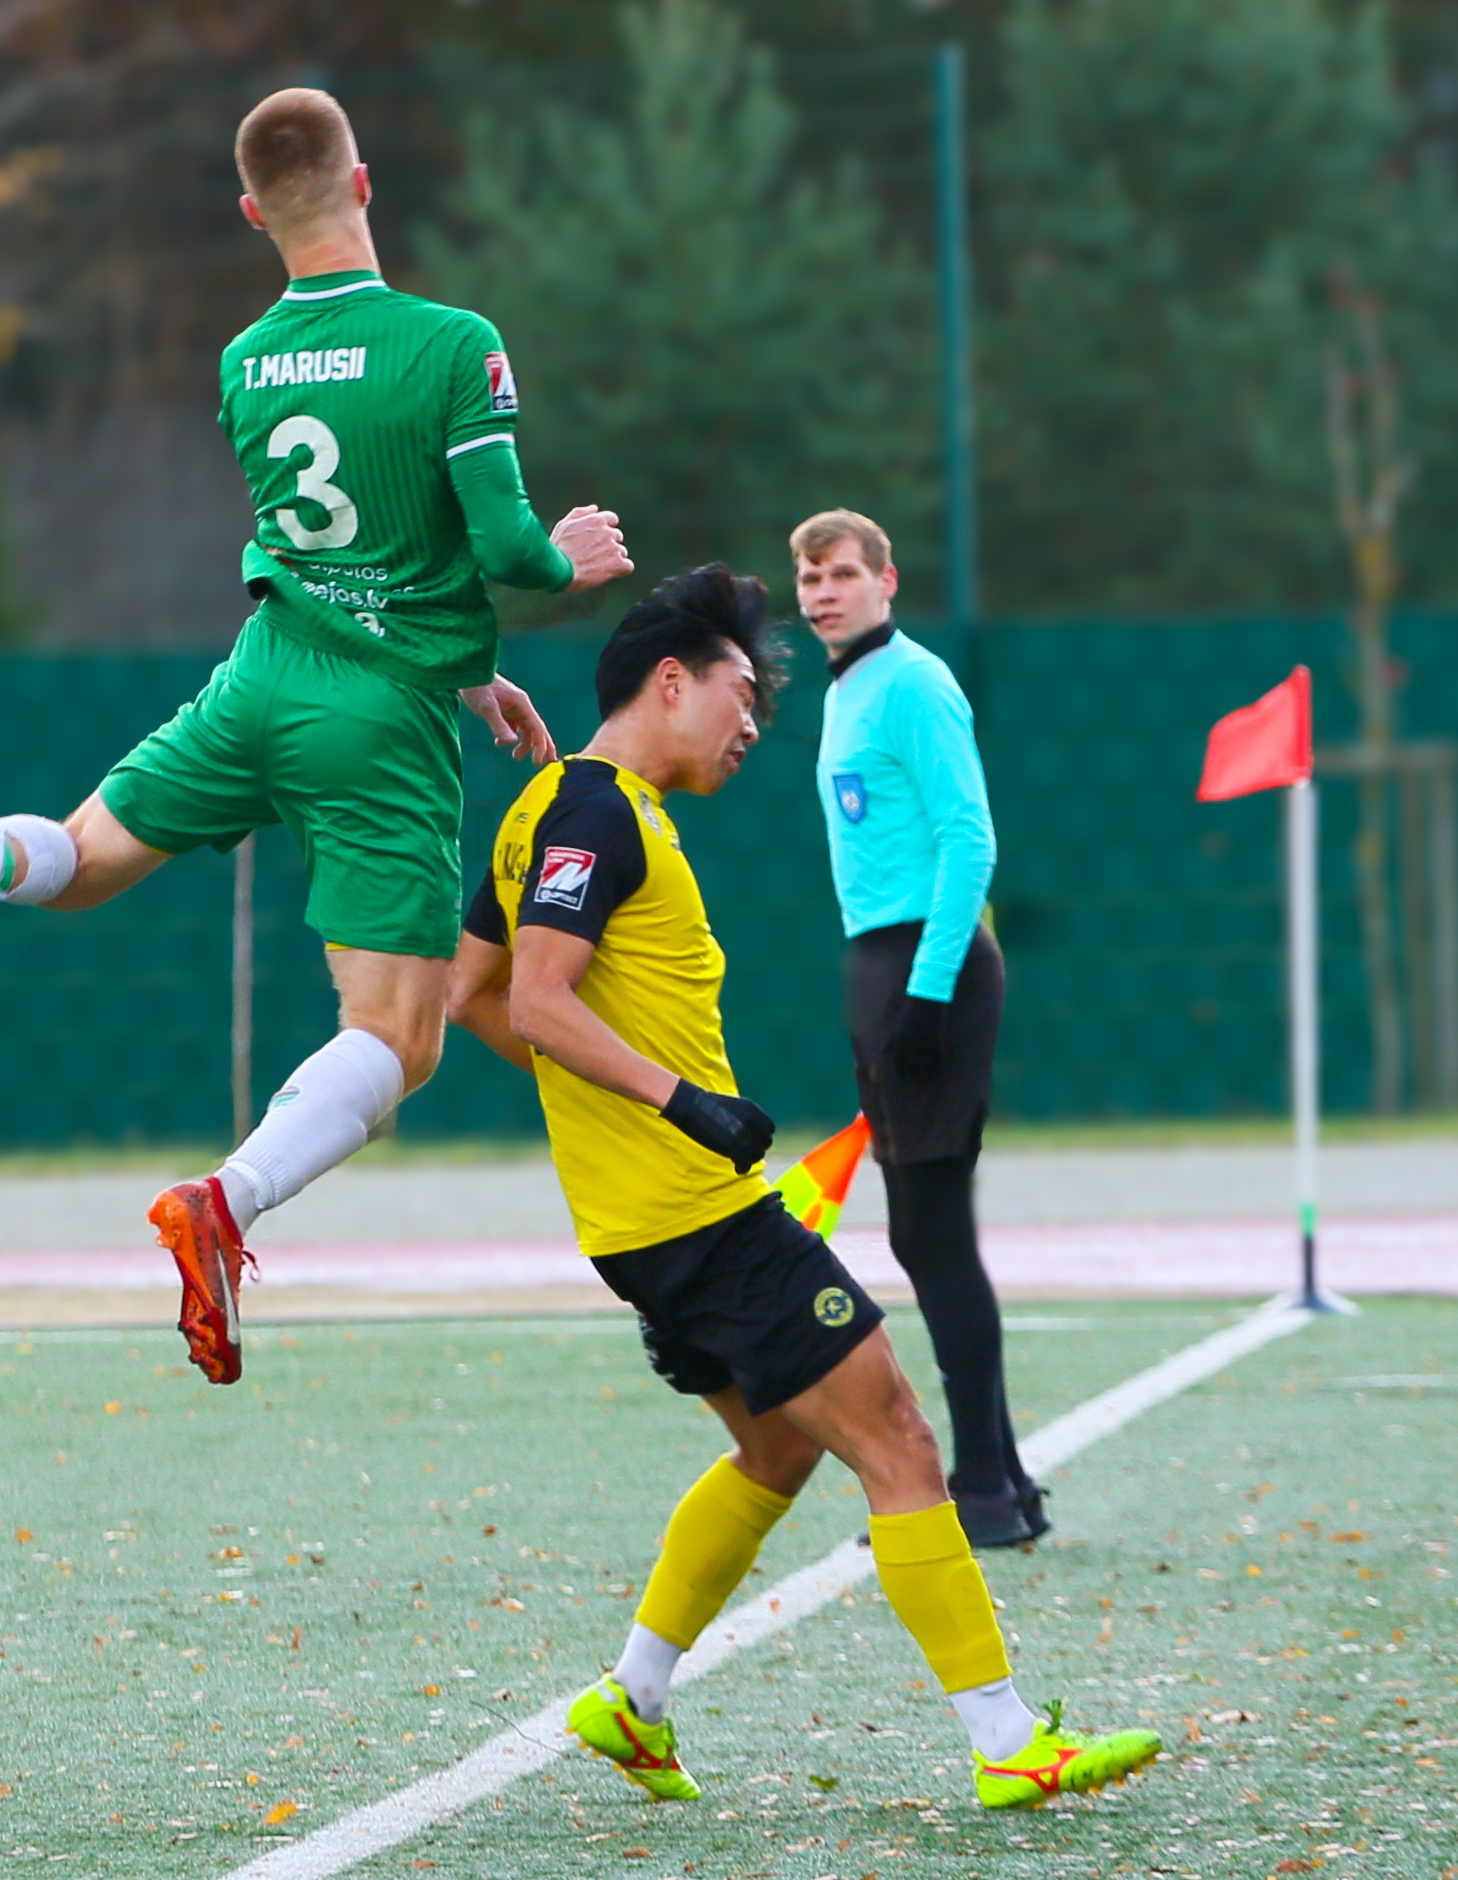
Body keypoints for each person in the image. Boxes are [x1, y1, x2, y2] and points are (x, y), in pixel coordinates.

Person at [0, 85, 631, 1384]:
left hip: (260, 677)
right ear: (365, 183)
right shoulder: (454, 343)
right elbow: (494, 546)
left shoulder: (243, 362)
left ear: (250, 213)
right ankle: (228, 1199)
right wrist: (574, 560)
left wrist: (468, 670)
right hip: (373, 723)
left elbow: (347, 559)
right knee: (404, 1029)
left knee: (79, 856)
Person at [446, 564, 1157, 1812]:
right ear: (671, 680)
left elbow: (478, 997)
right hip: (699, 1212)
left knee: (776, 1449)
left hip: (645, 1218)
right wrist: (681, 1105)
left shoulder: (551, 811)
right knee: (898, 1437)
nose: (752, 721)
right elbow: (534, 1001)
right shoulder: (590, 810)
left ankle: (633, 1695)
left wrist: (626, 1104)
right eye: (738, 689)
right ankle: (1003, 1739)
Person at [792, 507, 1043, 1551]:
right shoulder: (848, 686)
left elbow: (967, 840)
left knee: (931, 1234)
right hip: (880, 959)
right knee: (920, 1232)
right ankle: (1003, 1484)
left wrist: (927, 993)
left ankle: (978, 1489)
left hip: (922, 964)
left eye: (841, 573)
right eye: (807, 578)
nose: (821, 592)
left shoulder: (912, 683)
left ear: (885, 579)